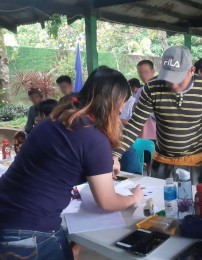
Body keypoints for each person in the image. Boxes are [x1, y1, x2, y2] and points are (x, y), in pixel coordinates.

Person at [0, 66, 144, 259]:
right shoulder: (92, 136)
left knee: (72, 250)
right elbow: (107, 202)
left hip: (9, 215)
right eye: (121, 104)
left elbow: (60, 163)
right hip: (30, 229)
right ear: (112, 103)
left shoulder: (56, 119)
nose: (121, 110)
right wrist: (133, 198)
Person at [113, 46, 202, 184]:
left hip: (194, 163)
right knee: (160, 202)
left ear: (192, 70)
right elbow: (135, 124)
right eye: (168, 78)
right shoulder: (152, 88)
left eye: (178, 79)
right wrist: (116, 155)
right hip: (162, 162)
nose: (173, 85)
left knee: (192, 202)